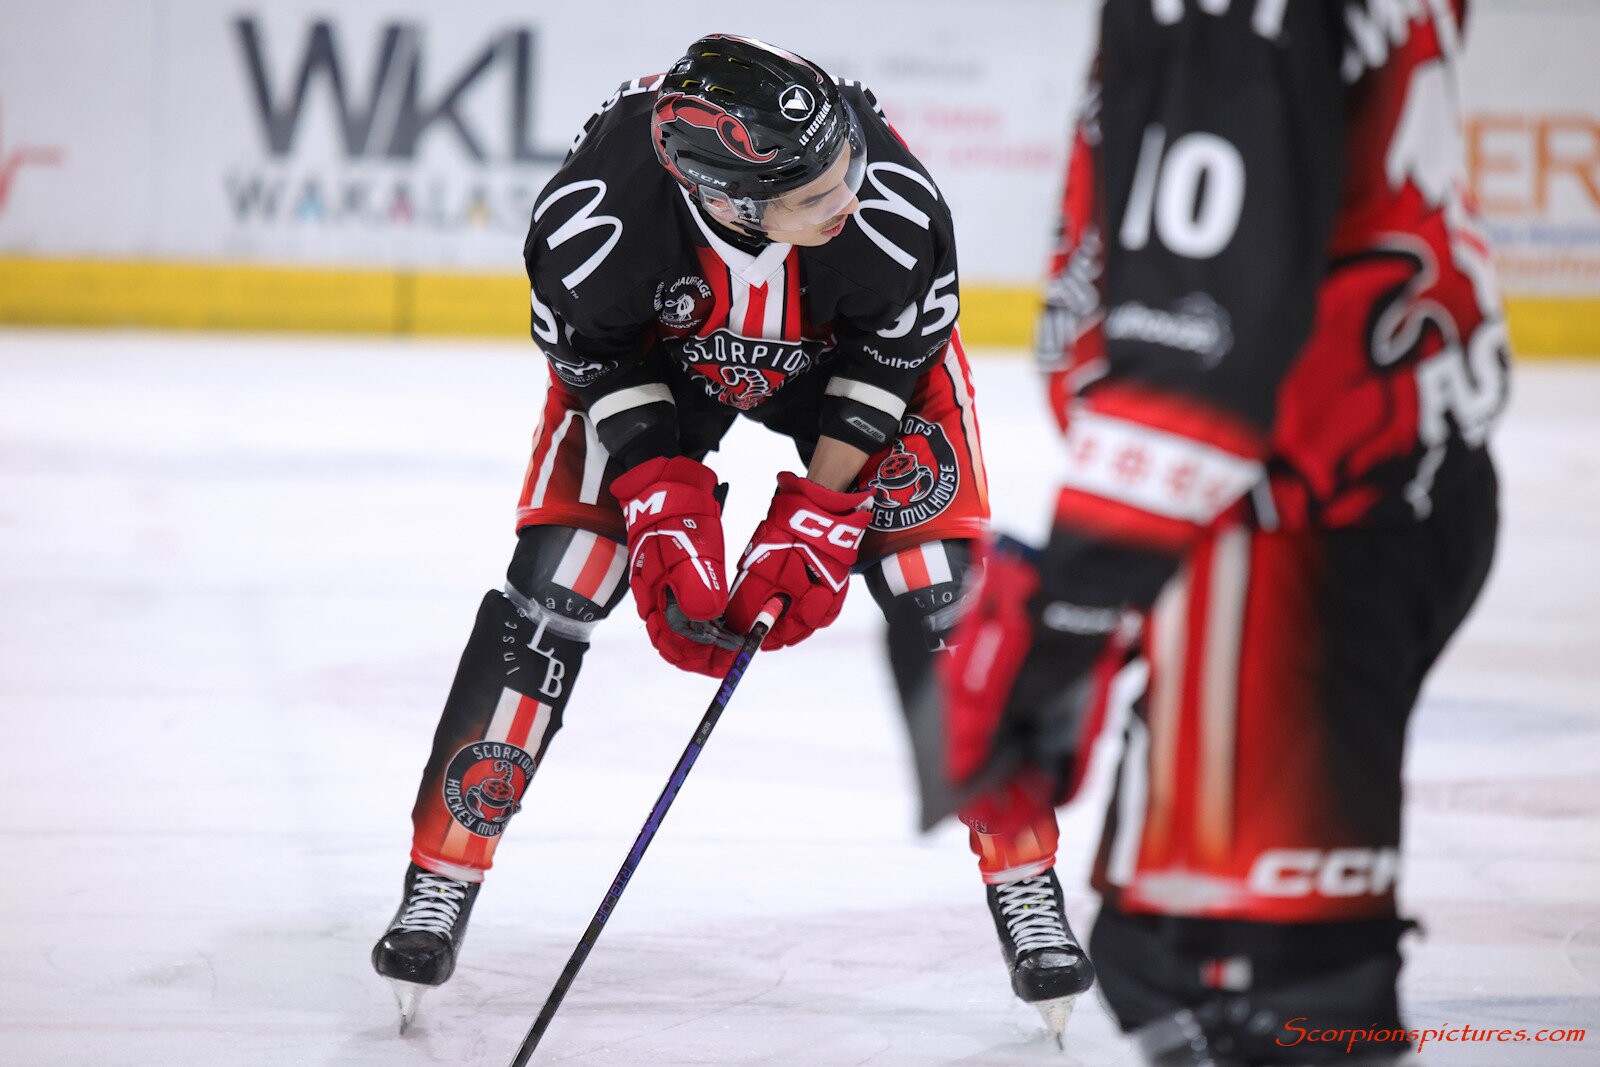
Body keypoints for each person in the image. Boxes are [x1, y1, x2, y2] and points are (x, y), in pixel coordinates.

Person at [369, 33, 1091, 1031]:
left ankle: (1028, 882)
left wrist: (817, 516)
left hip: (845, 365)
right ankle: (439, 876)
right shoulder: (593, 220)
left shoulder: (894, 208)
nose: (850, 196)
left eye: (848, 165)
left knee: (939, 589)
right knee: (559, 577)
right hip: (658, 361)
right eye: (816, 194)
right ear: (732, 200)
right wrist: (658, 498)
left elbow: (887, 366)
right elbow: (599, 361)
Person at [909, 1, 1509, 1062]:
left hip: (1287, 524)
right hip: (1369, 480)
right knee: (1183, 951)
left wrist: (1066, 619)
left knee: (1241, 983)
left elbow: (1200, 341)